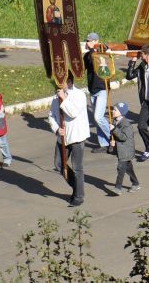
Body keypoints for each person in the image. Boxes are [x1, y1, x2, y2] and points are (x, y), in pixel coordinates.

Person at [48, 74, 89, 207]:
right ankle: (77, 187)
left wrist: (64, 98)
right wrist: (56, 129)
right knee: (59, 164)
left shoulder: (79, 95)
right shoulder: (56, 97)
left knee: (77, 167)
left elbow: (72, 113)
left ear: (70, 82)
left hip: (76, 136)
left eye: (62, 82)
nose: (58, 85)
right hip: (62, 137)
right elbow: (52, 115)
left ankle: (79, 196)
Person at [82, 32, 111, 153]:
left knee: (98, 117)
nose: (86, 43)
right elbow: (83, 67)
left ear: (95, 41)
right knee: (97, 118)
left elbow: (98, 62)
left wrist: (96, 48)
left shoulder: (101, 53)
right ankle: (103, 143)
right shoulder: (87, 55)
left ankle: (115, 137)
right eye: (87, 41)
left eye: (88, 41)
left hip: (102, 88)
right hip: (93, 89)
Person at [109, 103, 141, 195]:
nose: (112, 111)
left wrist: (114, 129)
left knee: (121, 168)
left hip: (126, 150)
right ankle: (135, 183)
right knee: (128, 168)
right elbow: (115, 135)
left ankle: (118, 188)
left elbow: (123, 137)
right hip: (121, 149)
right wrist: (112, 141)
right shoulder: (115, 121)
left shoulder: (126, 124)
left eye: (115, 110)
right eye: (113, 109)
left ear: (121, 113)